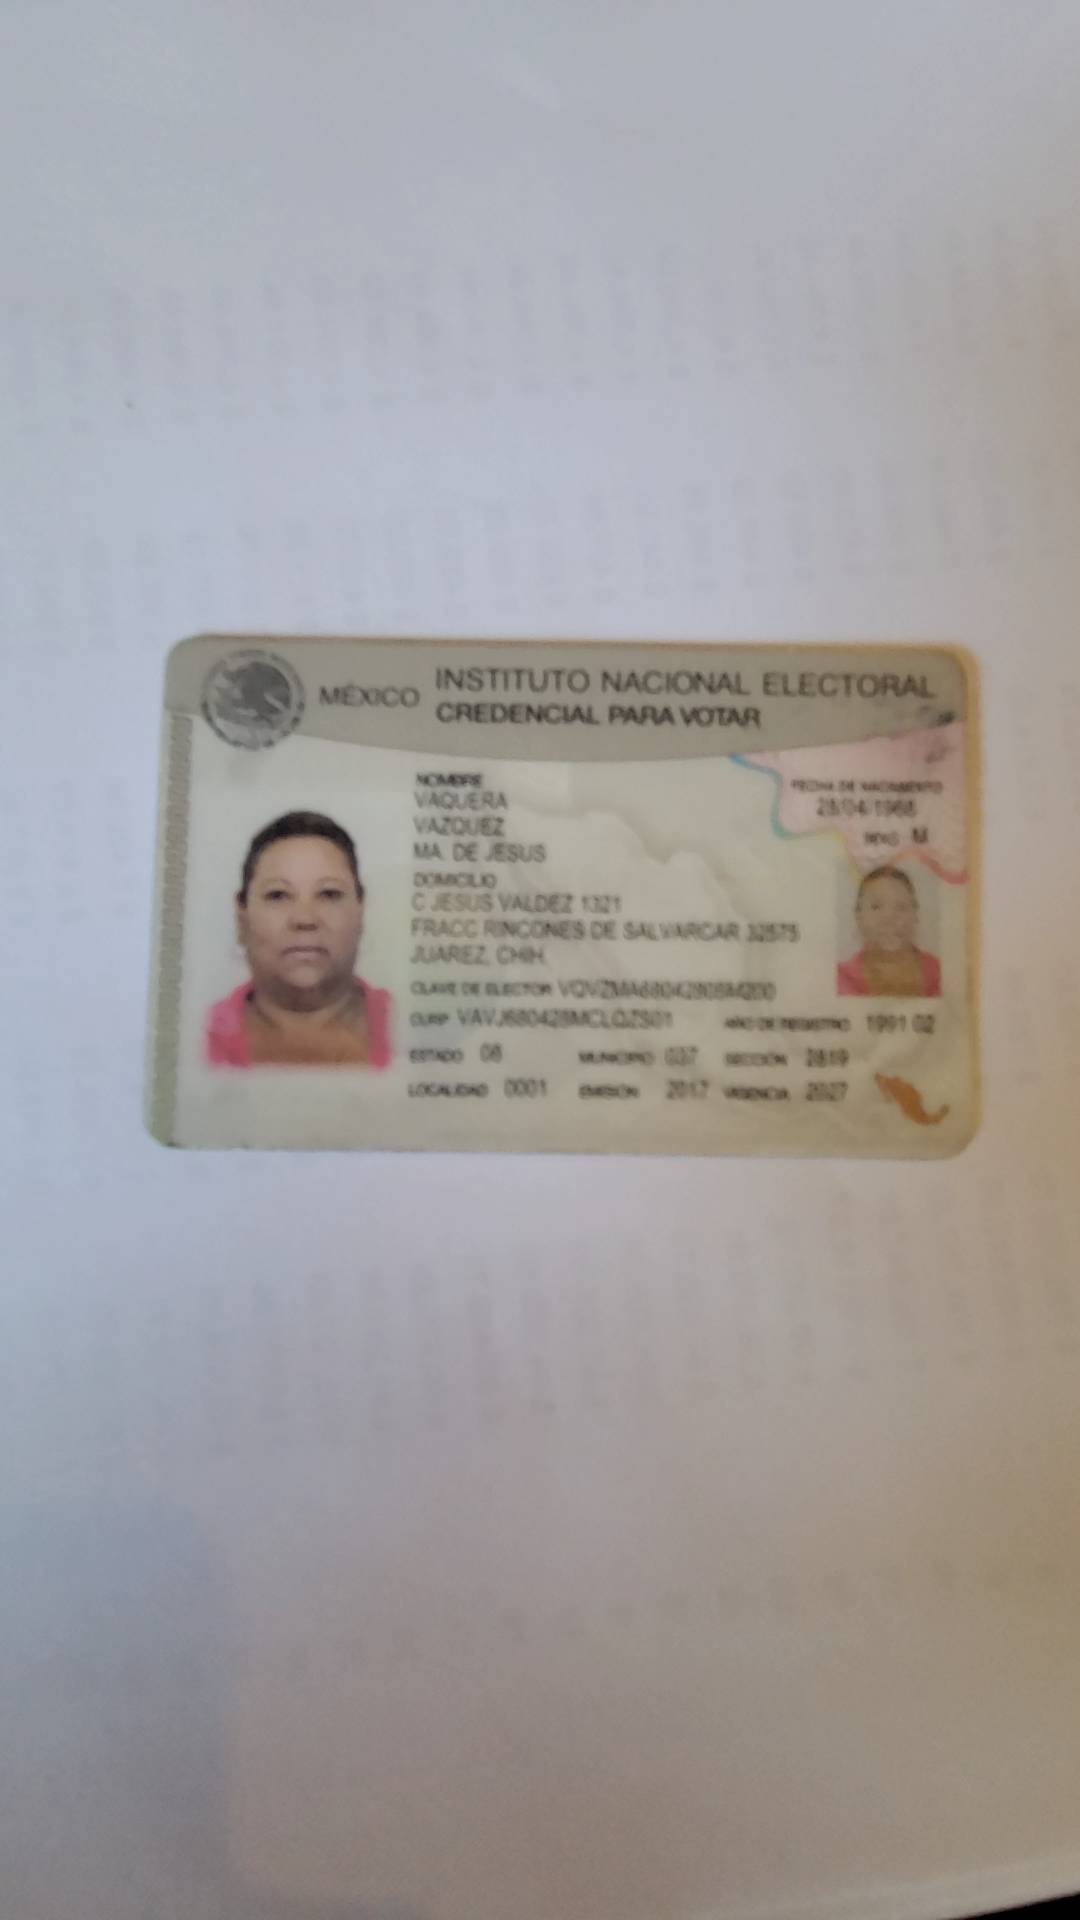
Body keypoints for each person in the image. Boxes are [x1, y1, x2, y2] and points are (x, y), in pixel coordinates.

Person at [205, 811, 392, 1066]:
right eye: (278, 895)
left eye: (329, 894)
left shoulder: (411, 1026)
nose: (305, 919)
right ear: (242, 916)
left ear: (360, 910)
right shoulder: (195, 1039)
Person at [837, 865, 941, 998]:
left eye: (901, 907)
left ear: (915, 915)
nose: (889, 917)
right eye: (876, 907)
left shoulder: (938, 974)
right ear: (858, 916)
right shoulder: (841, 978)